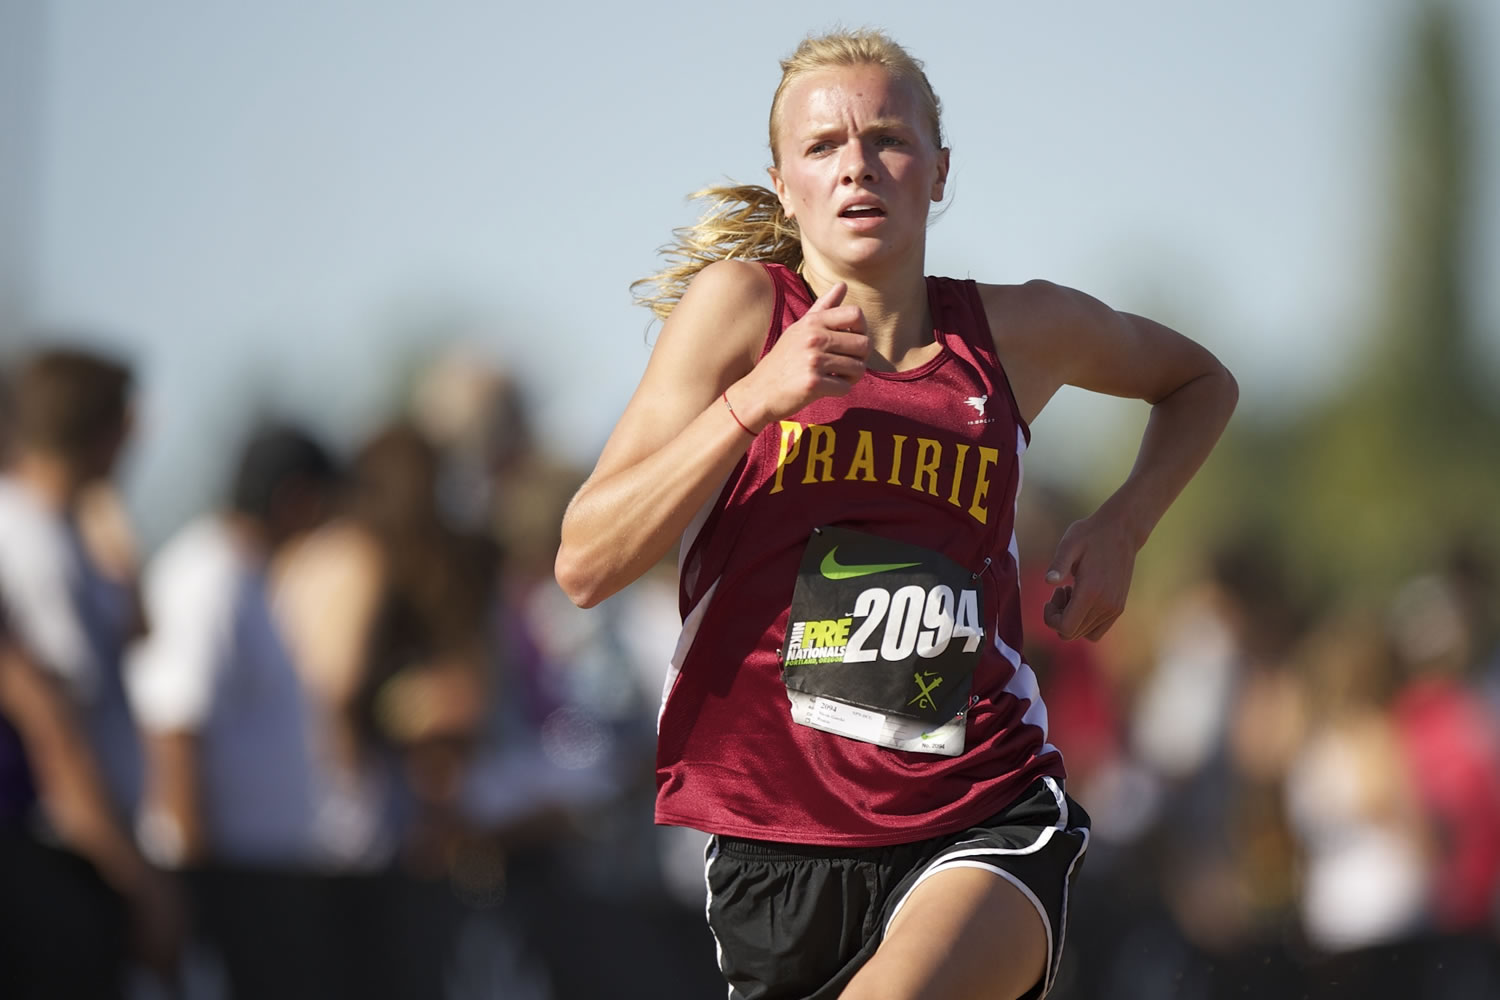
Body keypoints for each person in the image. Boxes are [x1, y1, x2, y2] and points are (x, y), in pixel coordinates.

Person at [554, 29, 1237, 1000]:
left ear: (940, 171)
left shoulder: (1017, 332)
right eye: (824, 147)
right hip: (775, 838)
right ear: (783, 182)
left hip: (982, 808)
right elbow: (584, 561)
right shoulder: (741, 313)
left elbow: (1200, 381)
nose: (858, 168)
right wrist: (753, 401)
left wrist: (1125, 522)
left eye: (888, 139)